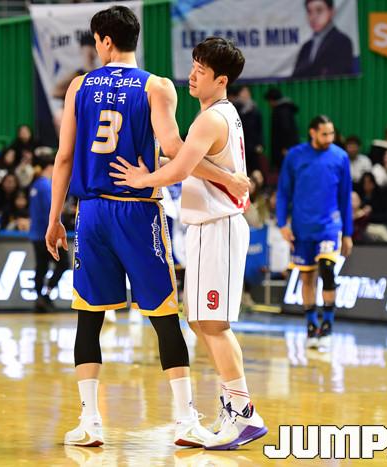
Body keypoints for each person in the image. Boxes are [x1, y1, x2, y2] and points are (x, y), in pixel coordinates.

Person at [44, 6, 247, 448]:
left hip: (91, 212)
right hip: (138, 211)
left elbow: (63, 158)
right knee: (164, 317)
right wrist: (228, 178)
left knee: (89, 317)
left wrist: (54, 217)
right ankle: (185, 420)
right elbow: (175, 150)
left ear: (104, 41)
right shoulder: (157, 86)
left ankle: (90, 422)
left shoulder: (78, 86)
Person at [110, 37, 267, 450]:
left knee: (213, 325)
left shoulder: (211, 118)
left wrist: (144, 178)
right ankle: (233, 407)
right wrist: (160, 164)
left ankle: (243, 413)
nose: (192, 75)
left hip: (218, 227)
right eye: (193, 66)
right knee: (200, 322)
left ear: (222, 80)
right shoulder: (216, 115)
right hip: (206, 227)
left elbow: (181, 170)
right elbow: (189, 163)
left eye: (202, 70)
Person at [276, 115, 353, 350]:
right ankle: (311, 326)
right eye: (325, 134)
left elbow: (345, 197)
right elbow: (283, 192)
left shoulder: (340, 157)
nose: (329, 138)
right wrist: (282, 223)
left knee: (327, 270)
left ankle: (327, 326)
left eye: (332, 134)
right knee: (307, 277)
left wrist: (347, 233)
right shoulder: (295, 156)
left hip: (329, 226)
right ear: (312, 133)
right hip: (302, 227)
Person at [30, 155, 68, 312]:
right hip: (46, 234)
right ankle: (46, 295)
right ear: (49, 167)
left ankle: (40, 298)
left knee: (41, 266)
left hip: (35, 234)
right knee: (63, 263)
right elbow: (50, 211)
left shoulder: (36, 185)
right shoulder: (46, 186)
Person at [292, 0, 354, 79]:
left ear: (331, 12)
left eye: (319, 10)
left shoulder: (342, 42)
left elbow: (336, 77)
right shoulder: (306, 47)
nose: (313, 17)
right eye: (309, 12)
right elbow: (295, 78)